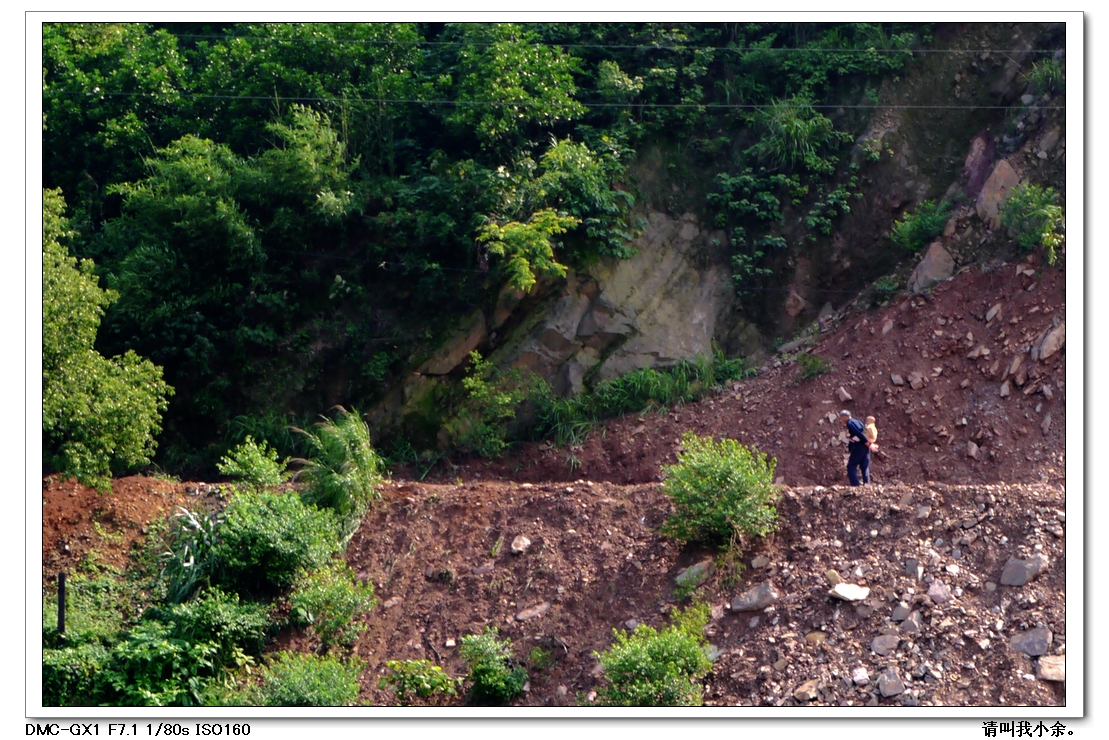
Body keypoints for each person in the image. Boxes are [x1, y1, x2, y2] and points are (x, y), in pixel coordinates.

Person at [839, 410, 871, 486]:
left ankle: (855, 485)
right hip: (866, 446)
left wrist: (865, 441)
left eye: (841, 418)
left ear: (845, 417)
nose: (841, 420)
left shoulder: (850, 423)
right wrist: (868, 442)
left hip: (859, 446)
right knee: (864, 466)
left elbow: (858, 433)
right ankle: (867, 484)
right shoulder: (858, 421)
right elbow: (865, 431)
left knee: (851, 465)